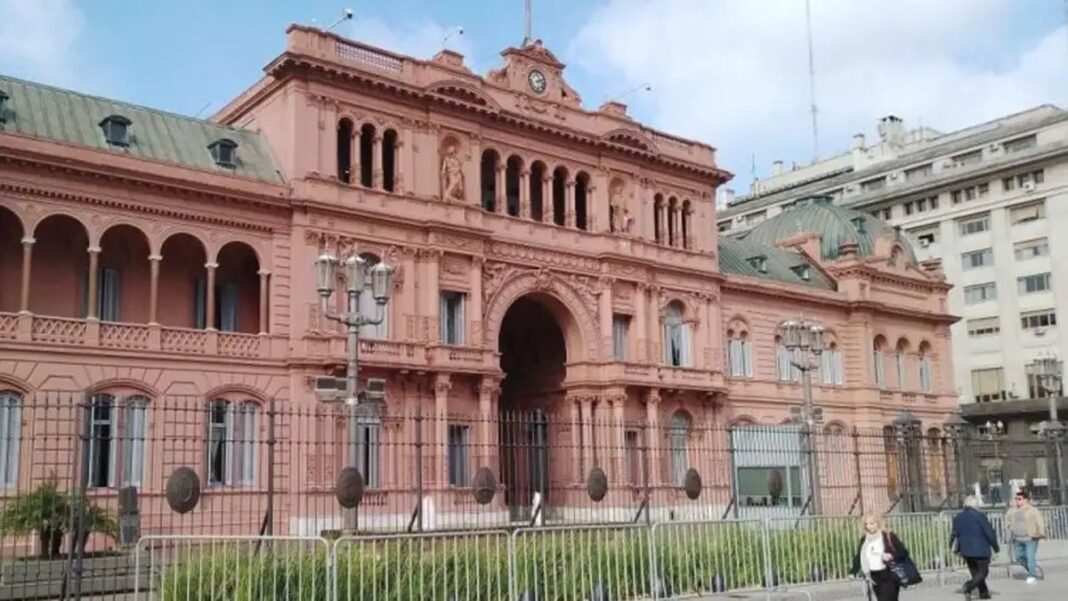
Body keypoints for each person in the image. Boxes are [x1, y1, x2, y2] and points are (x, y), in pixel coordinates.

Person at [851, 514, 910, 601]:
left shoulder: (887, 536)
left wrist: (891, 556)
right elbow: (859, 556)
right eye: (866, 524)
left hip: (889, 573)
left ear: (878, 523)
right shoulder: (864, 539)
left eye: (872, 523)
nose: (869, 526)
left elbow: (903, 552)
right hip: (874, 576)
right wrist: (853, 571)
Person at [951, 495, 999, 600]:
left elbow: (954, 533)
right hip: (980, 549)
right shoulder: (980, 516)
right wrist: (995, 546)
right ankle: (968, 586)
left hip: (966, 549)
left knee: (975, 572)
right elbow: (989, 532)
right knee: (983, 572)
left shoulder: (958, 517)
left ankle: (983, 593)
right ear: (976, 505)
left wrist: (953, 546)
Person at [1004, 489, 1047, 584]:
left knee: (1030, 557)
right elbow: (1007, 520)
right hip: (1017, 538)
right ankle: (1032, 567)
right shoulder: (1012, 510)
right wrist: (1009, 528)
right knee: (1019, 557)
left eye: (1019, 499)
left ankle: (1032, 575)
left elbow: (1040, 522)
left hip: (1030, 538)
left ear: (1025, 500)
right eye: (1016, 499)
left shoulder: (1032, 510)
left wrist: (1042, 536)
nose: (1017, 501)